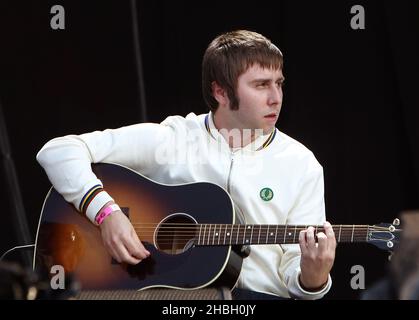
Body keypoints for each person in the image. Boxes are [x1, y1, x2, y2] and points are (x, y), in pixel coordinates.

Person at [36, 30, 336, 300]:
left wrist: (313, 276)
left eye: (279, 84)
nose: (276, 98)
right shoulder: (174, 138)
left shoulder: (301, 164)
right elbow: (58, 151)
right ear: (221, 92)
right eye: (261, 85)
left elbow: (299, 277)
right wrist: (107, 214)